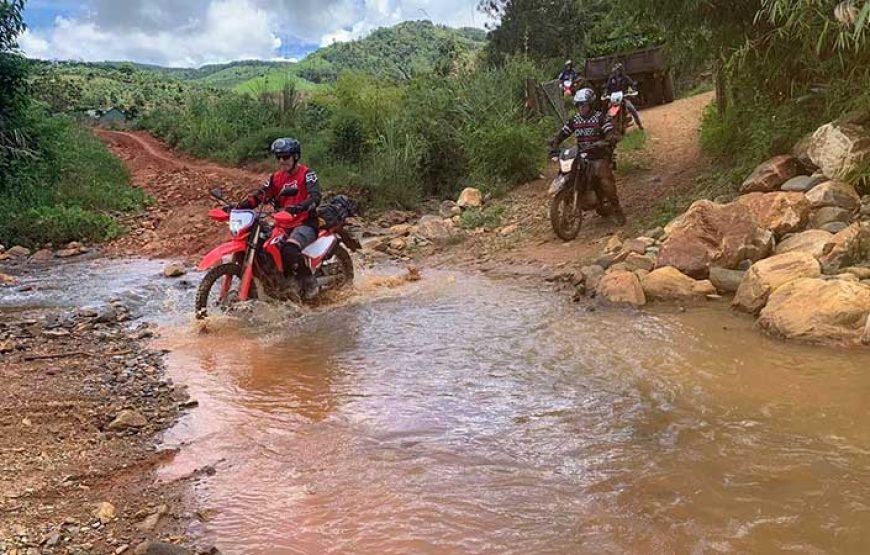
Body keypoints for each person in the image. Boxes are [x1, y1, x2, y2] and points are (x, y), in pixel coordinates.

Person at [238, 137, 322, 298]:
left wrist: (300, 206)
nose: (282, 161)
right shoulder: (276, 178)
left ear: (295, 157)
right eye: (279, 157)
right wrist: (240, 206)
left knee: (289, 250)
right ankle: (277, 283)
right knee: (264, 248)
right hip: (282, 223)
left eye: (286, 157)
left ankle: (308, 281)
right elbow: (260, 195)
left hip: (305, 222)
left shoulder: (307, 174)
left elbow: (315, 197)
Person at [548, 88, 626, 226]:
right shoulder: (575, 120)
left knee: (604, 180)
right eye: (578, 105)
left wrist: (605, 141)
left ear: (590, 105)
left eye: (583, 105)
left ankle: (617, 209)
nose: (581, 108)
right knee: (567, 174)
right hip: (581, 155)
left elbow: (610, 133)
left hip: (598, 156)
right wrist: (554, 143)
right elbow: (563, 133)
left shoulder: (601, 117)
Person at [605, 63, 643, 130]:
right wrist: (607, 94)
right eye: (616, 70)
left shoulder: (625, 78)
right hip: (614, 99)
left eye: (619, 70)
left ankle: (639, 124)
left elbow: (631, 84)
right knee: (607, 111)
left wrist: (633, 89)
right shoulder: (611, 79)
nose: (617, 72)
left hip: (623, 97)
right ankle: (606, 126)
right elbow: (607, 87)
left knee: (632, 109)